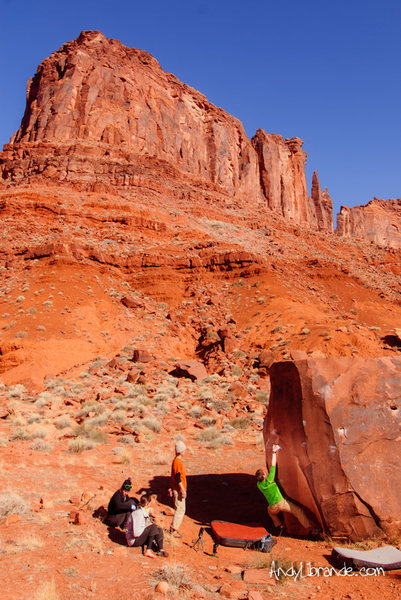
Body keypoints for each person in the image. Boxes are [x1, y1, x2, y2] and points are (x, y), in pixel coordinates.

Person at [255, 444, 315, 534]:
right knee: (299, 511)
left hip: (273, 507)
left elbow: (261, 478)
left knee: (269, 511)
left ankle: (279, 525)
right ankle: (310, 528)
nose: (266, 473)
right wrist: (274, 452)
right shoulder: (270, 480)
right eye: (264, 473)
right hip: (281, 503)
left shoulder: (259, 485)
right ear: (264, 476)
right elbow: (273, 465)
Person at [125, 494, 168, 558]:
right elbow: (136, 533)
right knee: (152, 527)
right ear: (147, 503)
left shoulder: (144, 511)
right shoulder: (138, 513)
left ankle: (160, 549)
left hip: (139, 536)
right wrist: (148, 526)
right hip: (133, 540)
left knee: (158, 528)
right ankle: (148, 550)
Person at [168, 440, 187, 538]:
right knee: (180, 509)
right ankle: (173, 530)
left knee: (179, 509)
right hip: (178, 490)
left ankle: (173, 529)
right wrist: (182, 489)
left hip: (176, 488)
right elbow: (177, 477)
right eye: (184, 449)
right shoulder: (177, 462)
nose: (185, 451)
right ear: (181, 451)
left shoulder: (176, 461)